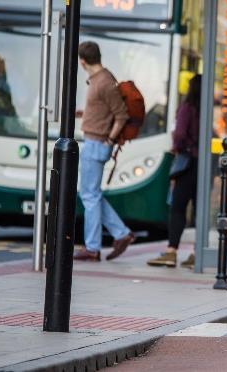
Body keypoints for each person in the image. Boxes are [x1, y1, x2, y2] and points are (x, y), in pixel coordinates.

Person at [73, 41, 135, 261]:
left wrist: (109, 139)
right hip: (95, 141)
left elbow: (121, 115)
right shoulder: (101, 80)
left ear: (82, 62)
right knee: (92, 194)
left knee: (88, 196)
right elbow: (105, 110)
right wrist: (85, 113)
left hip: (97, 143)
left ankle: (92, 248)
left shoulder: (104, 83)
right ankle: (121, 233)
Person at [147, 75, 202, 268]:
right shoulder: (206, 110)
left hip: (186, 162)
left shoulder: (187, 108)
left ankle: (171, 252)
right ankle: (198, 252)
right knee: (199, 210)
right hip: (203, 164)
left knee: (178, 207)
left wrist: (179, 147)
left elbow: (179, 134)